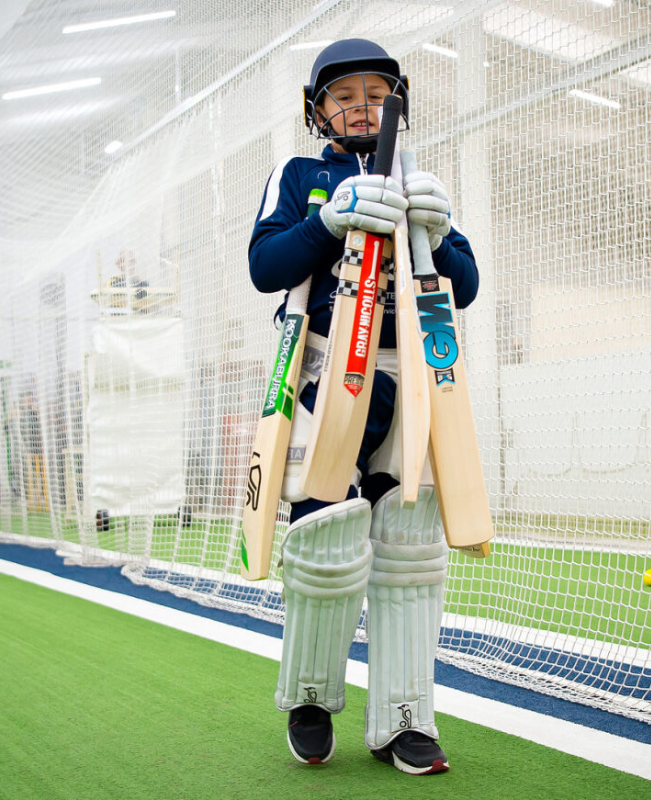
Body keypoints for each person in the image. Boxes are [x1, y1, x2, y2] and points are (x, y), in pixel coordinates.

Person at [248, 39, 478, 775]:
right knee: (323, 537)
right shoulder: (301, 175)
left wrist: (438, 233)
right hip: (322, 369)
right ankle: (311, 696)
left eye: (377, 94)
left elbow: (463, 286)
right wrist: (328, 220)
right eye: (345, 95)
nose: (362, 106)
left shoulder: (419, 177)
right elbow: (264, 266)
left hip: (406, 369)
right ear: (317, 108)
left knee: (410, 549)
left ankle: (405, 718)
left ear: (398, 105)